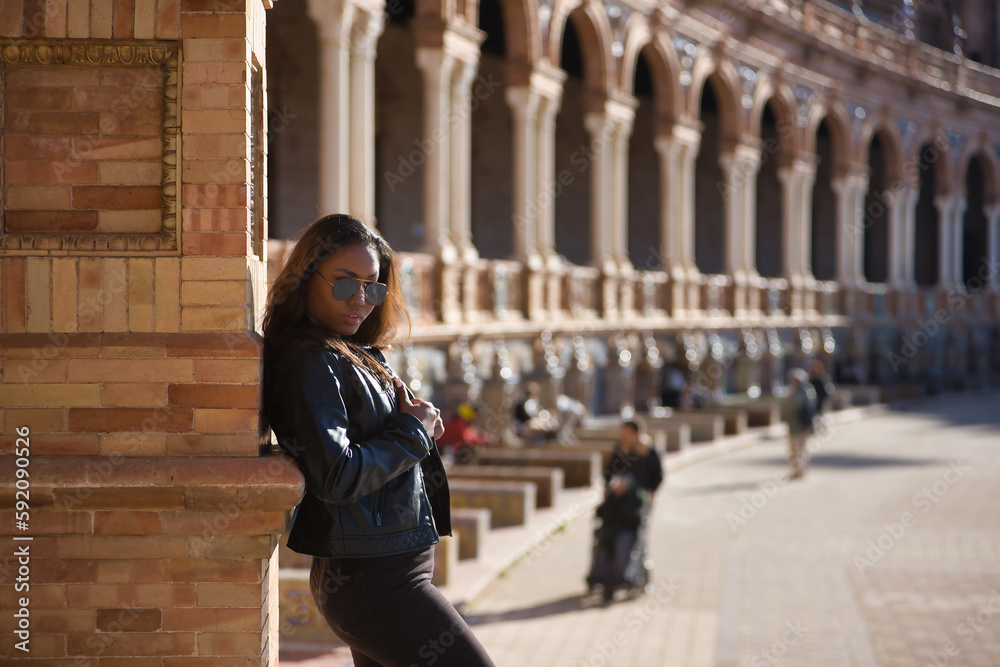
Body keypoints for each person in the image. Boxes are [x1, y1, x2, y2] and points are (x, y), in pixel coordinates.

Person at [262, 214, 495, 667]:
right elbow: (336, 473)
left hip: (386, 575)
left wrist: (415, 423)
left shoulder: (347, 352)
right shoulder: (311, 360)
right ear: (308, 275)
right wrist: (413, 432)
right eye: (346, 283)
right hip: (378, 583)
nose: (362, 300)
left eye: (374, 285)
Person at [588, 418, 664, 600]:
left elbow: (657, 478)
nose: (623, 436)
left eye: (626, 433)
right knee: (606, 534)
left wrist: (639, 489)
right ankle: (604, 573)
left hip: (637, 504)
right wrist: (614, 485)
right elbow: (608, 474)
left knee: (637, 538)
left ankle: (633, 574)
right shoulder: (621, 450)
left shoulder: (650, 452)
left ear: (637, 433)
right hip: (617, 503)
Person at [782, 368, 817, 479]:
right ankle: (800, 470)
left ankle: (799, 470)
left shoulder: (799, 394)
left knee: (797, 450)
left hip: (798, 426)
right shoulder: (808, 392)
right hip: (800, 426)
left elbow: (789, 408)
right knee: (800, 450)